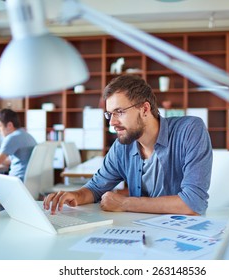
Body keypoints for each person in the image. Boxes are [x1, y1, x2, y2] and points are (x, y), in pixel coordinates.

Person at [44, 75, 212, 215]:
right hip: (139, 232)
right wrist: (75, 195)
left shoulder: (189, 130)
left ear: (145, 109)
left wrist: (125, 203)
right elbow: (96, 188)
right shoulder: (121, 147)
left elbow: (193, 203)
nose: (112, 122)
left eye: (119, 112)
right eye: (109, 114)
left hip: (183, 235)